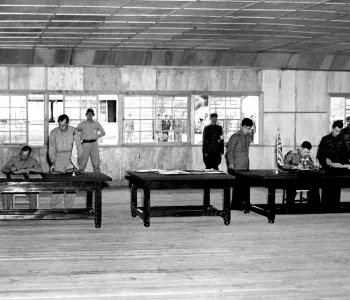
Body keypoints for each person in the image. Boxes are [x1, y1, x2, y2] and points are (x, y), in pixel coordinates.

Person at [49, 114, 83, 209]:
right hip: (59, 158)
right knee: (57, 185)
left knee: (71, 185)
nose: (61, 127)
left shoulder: (74, 131)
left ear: (67, 123)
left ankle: (68, 208)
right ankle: (54, 208)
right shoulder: (53, 132)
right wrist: (53, 162)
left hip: (71, 158)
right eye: (60, 125)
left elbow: (79, 148)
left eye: (63, 125)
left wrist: (78, 163)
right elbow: (51, 149)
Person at [317, 120, 350, 211]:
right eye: (336, 130)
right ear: (332, 128)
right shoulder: (325, 139)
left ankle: (335, 209)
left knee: (336, 191)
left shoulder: (342, 140)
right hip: (328, 170)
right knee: (327, 190)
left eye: (339, 131)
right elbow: (320, 154)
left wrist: (344, 164)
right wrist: (325, 159)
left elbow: (346, 154)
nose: (337, 133)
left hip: (338, 170)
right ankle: (325, 209)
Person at [283, 141, 320, 210]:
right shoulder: (292, 153)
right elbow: (285, 166)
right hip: (293, 178)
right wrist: (296, 167)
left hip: (304, 178)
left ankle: (314, 208)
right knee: (291, 188)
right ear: (301, 148)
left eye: (307, 152)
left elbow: (313, 166)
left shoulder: (307, 155)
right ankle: (290, 208)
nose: (306, 154)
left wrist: (313, 161)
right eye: (305, 152)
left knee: (315, 185)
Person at [226, 118, 253, 209]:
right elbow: (230, 151)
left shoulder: (248, 136)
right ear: (242, 126)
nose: (248, 130)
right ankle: (235, 205)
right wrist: (231, 164)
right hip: (237, 165)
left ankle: (244, 204)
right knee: (237, 186)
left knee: (245, 185)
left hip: (245, 164)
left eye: (249, 128)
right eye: (246, 128)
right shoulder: (235, 136)